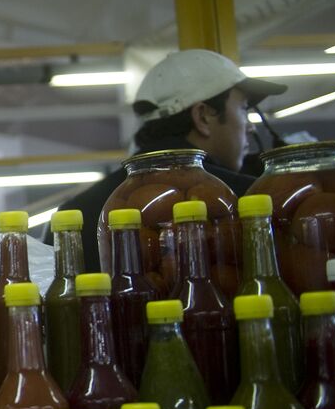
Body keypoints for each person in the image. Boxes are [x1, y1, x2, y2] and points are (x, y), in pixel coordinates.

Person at [54, 49, 286, 271]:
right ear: (203, 116)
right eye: (244, 109)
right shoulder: (253, 199)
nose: (251, 127)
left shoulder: (73, 215)